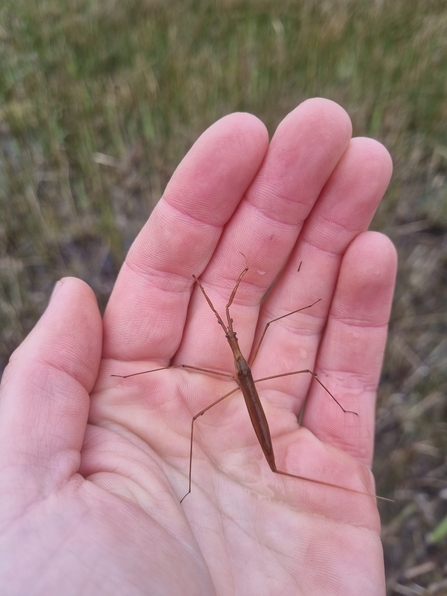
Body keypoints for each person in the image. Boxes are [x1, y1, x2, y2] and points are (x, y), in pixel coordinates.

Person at [0, 98, 396, 595]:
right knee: (204, 410)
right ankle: (214, 479)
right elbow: (229, 323)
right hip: (245, 393)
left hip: (249, 391)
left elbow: (236, 325)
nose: (230, 332)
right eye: (229, 332)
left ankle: (303, 478)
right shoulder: (235, 361)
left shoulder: (238, 362)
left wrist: (230, 292)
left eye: (230, 333)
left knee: (293, 369)